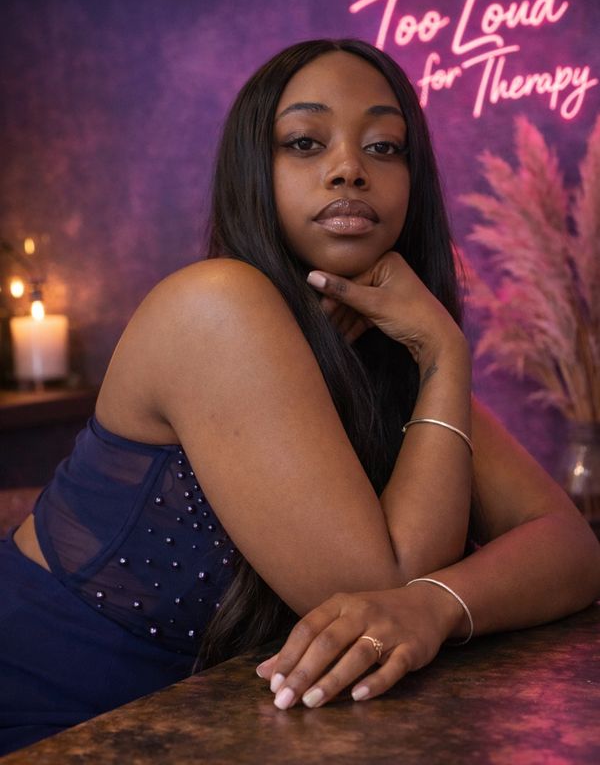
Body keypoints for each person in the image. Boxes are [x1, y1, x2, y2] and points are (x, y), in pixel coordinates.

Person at [2, 38, 599, 752]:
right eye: (306, 142)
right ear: (255, 169)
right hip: (57, 729)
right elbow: (382, 584)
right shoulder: (215, 306)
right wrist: (444, 354)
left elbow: (569, 547)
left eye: (383, 148)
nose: (349, 169)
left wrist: (438, 609)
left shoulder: (385, 350)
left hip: (226, 733)